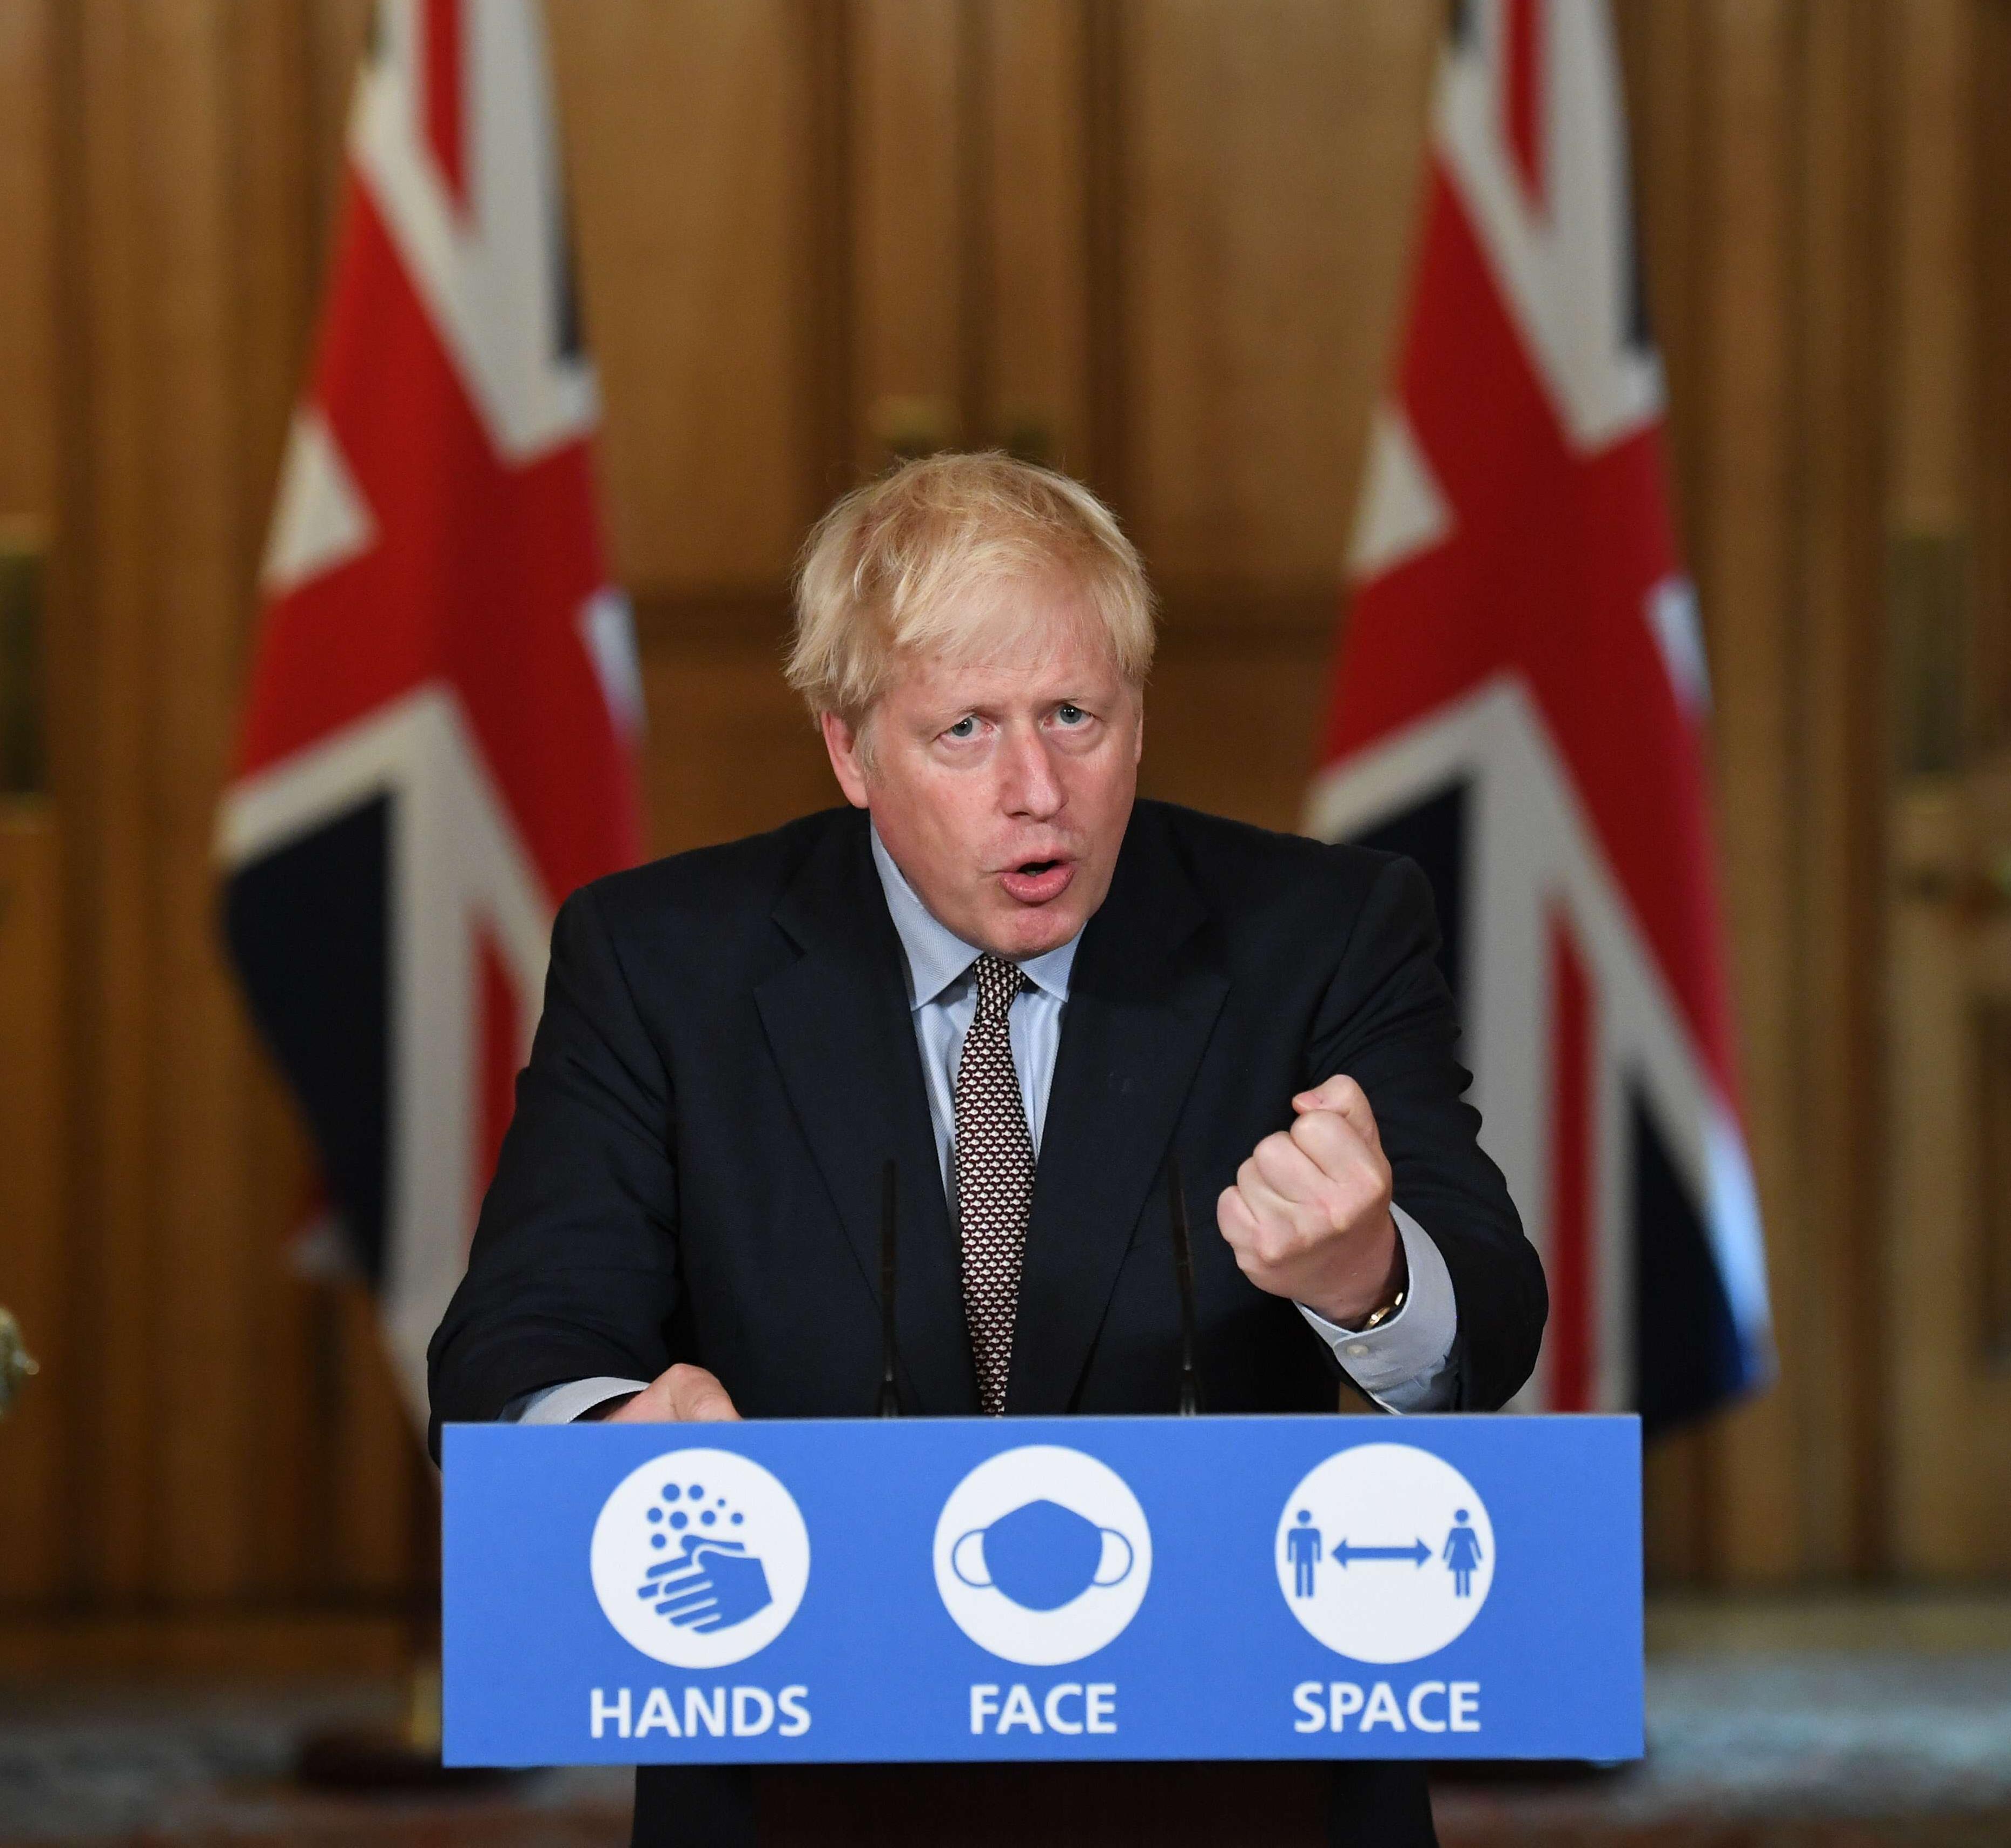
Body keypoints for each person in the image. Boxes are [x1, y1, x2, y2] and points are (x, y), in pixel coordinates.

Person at [428, 453, 1546, 1846]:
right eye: (965, 731)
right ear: (851, 750)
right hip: (809, 1763)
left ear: (1139, 718)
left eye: (1076, 716)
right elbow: (513, 1343)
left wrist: (1368, 1274)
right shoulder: (660, 962)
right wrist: (611, 1438)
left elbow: (1489, 1324)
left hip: (1228, 1767)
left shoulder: (1322, 934)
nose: (1038, 790)